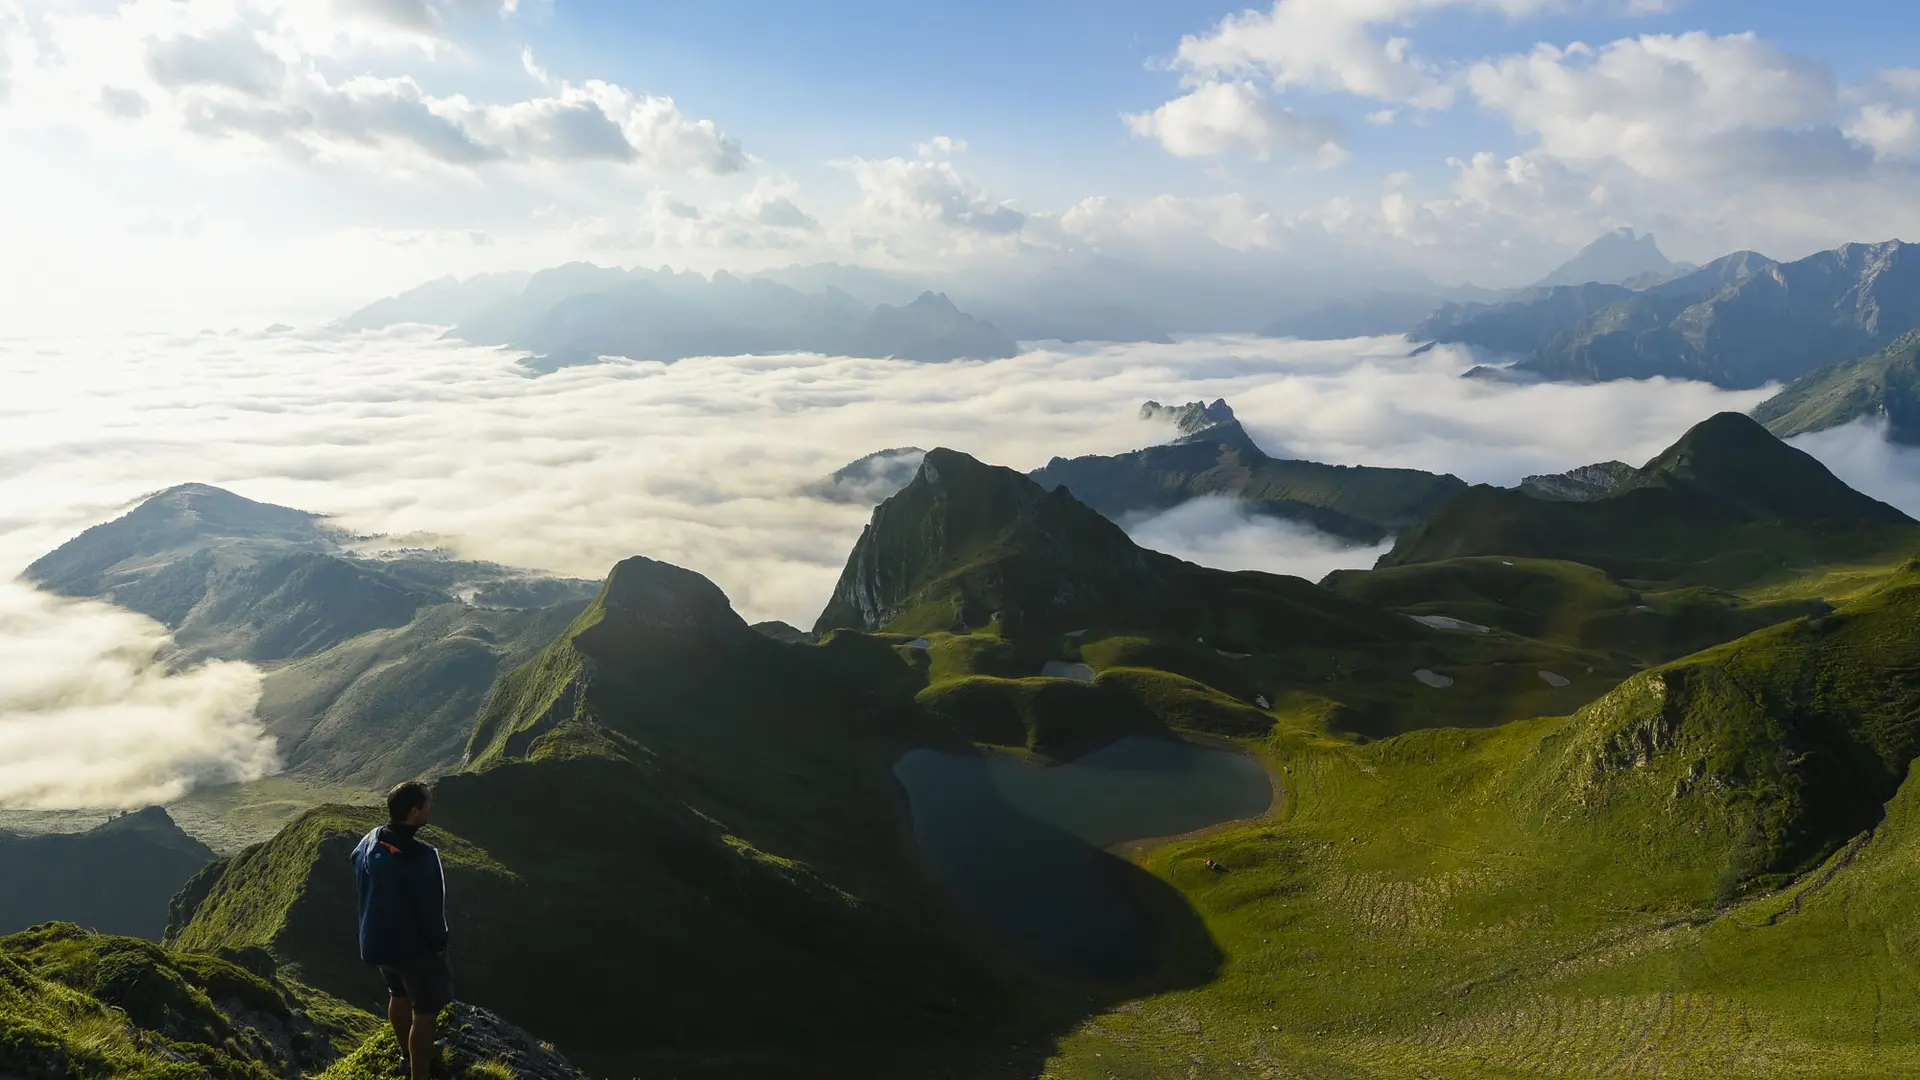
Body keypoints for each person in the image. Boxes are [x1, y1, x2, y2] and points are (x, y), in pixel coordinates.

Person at [352, 780, 451, 1080]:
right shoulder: (421, 856)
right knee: (425, 1012)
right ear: (414, 811)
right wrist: (438, 943)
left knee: (397, 993)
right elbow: (430, 908)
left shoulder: (370, 840)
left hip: (378, 941)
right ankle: (419, 1073)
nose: (431, 806)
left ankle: (405, 1053)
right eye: (428, 802)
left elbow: (355, 861)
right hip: (413, 950)